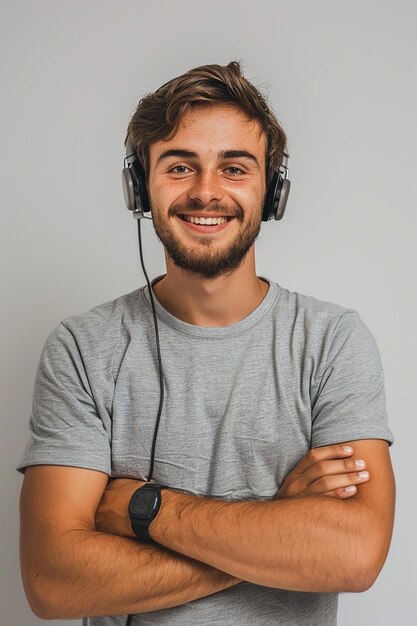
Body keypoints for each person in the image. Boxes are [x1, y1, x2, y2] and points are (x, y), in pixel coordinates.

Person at [18, 61, 395, 626]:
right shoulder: (82, 348)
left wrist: (146, 510)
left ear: (272, 191)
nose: (205, 192)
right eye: (179, 166)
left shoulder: (332, 342)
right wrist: (282, 526)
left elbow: (356, 554)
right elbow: (53, 581)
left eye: (235, 168)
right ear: (138, 184)